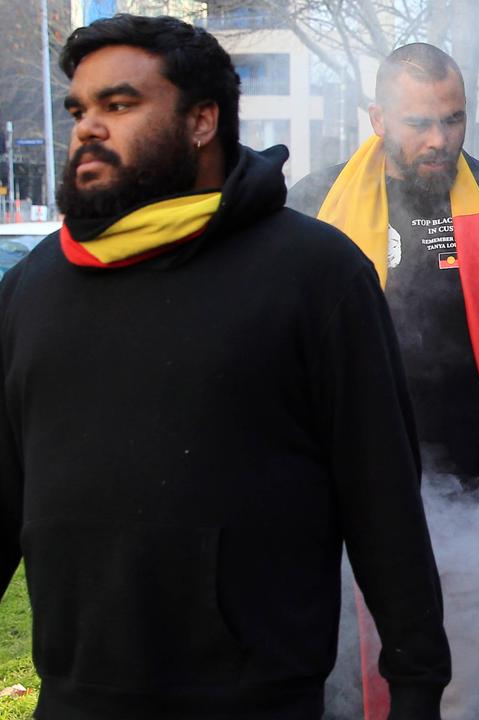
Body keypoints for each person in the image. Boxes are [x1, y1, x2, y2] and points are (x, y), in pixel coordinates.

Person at [0, 14, 450, 719]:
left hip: (254, 700)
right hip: (75, 701)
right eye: (79, 110)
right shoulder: (34, 287)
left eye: (119, 105)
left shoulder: (317, 275)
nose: (87, 127)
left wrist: (417, 684)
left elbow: (383, 501)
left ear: (203, 120)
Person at [288, 42, 479, 720]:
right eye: (419, 122)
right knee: (345, 696)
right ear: (377, 117)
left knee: (468, 699)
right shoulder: (318, 204)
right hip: (344, 511)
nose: (438, 140)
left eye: (452, 121)